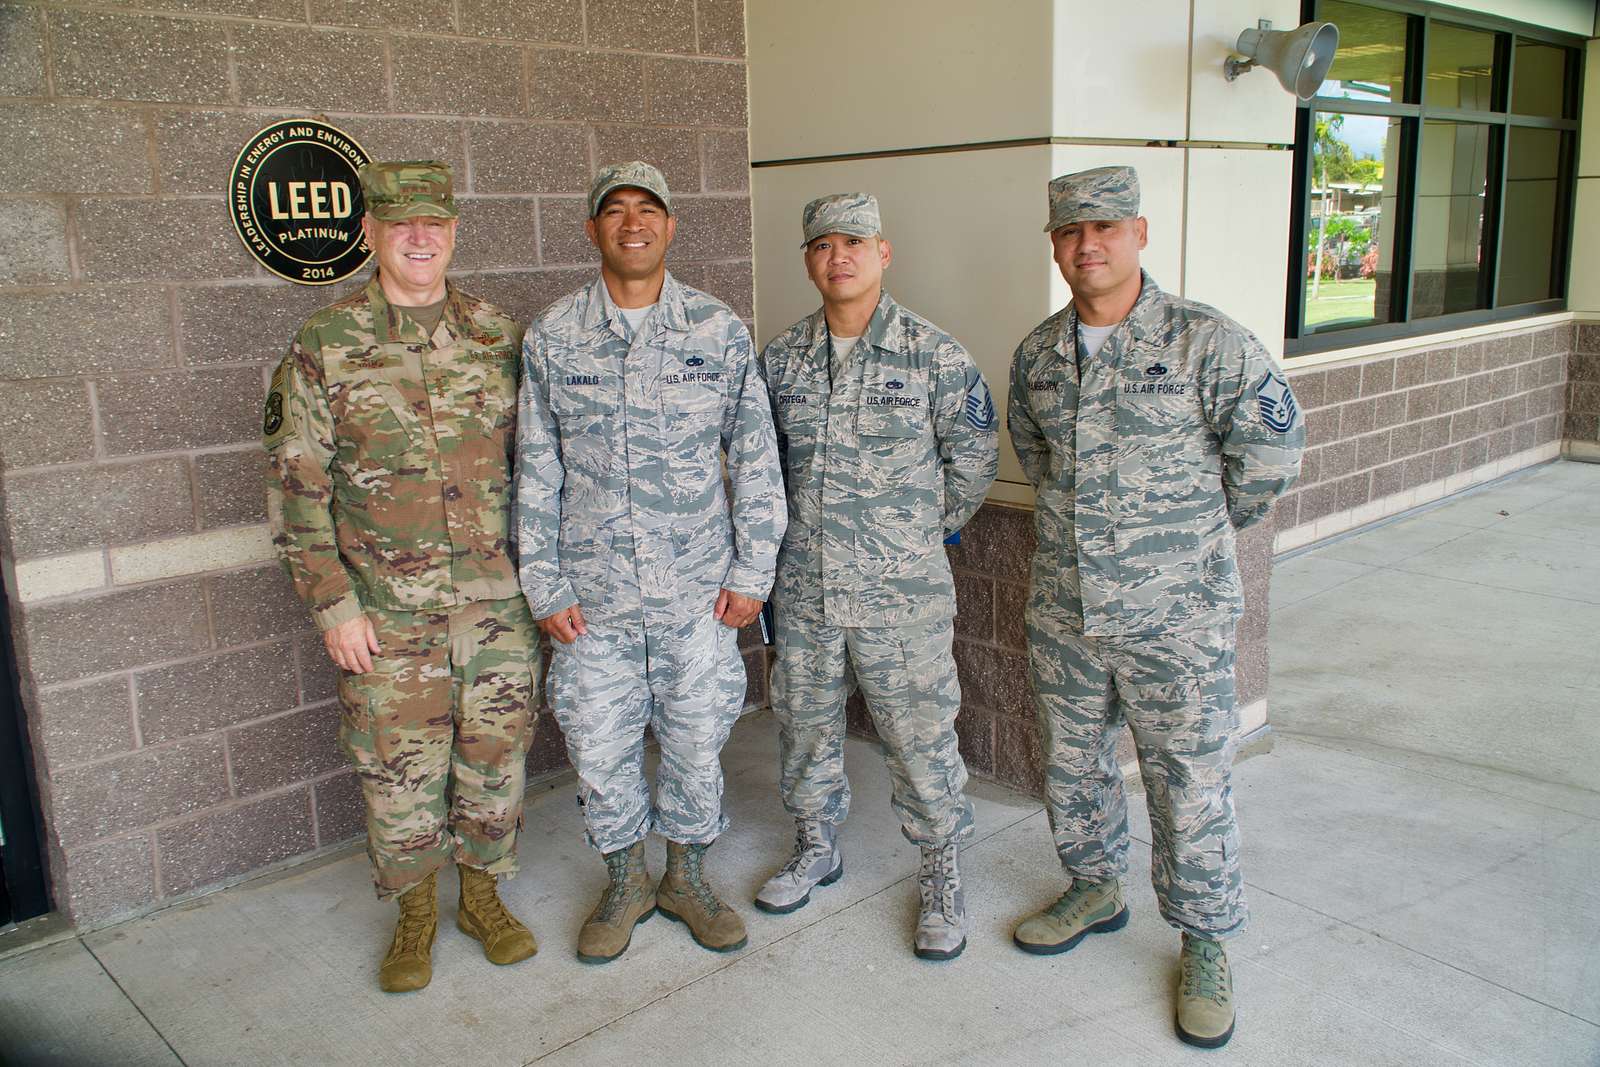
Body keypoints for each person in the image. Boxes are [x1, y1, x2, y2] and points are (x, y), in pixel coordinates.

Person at [1006, 165, 1304, 1047]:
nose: (1086, 245)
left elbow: (1270, 453)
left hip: (1176, 615)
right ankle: (1095, 886)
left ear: (1139, 234)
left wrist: (1189, 541)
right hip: (1066, 608)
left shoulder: (1204, 341)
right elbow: (1036, 454)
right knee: (1071, 761)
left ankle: (1206, 937)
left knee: (1190, 777)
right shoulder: (1039, 354)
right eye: (1068, 232)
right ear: (1056, 245)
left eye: (1103, 227)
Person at [264, 160, 539, 993]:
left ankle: (482, 896)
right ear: (373, 234)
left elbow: (550, 467)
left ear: (454, 231)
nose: (419, 237)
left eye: (433, 222)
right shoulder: (327, 343)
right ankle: (415, 911)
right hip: (386, 615)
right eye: (400, 223)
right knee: (398, 772)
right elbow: (294, 485)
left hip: (498, 607)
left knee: (496, 759)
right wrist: (333, 606)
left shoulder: (501, 334)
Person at [515, 161, 786, 963]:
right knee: (598, 746)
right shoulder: (554, 335)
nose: (633, 223)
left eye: (649, 210)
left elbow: (757, 453)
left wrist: (752, 570)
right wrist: (544, 580)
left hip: (697, 593)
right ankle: (626, 877)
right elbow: (536, 464)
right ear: (593, 229)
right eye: (615, 210)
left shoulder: (717, 328)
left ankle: (687, 878)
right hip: (591, 600)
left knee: (698, 740)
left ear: (670, 227)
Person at [754, 193, 998, 961]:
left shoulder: (935, 355)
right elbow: (764, 473)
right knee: (803, 727)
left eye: (855, 241)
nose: (840, 256)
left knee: (920, 737)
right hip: (806, 593)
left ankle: (941, 872)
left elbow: (974, 464)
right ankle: (815, 844)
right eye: (823, 244)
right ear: (808, 261)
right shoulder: (782, 360)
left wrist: (911, 540)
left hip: (902, 598)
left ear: (883, 252)